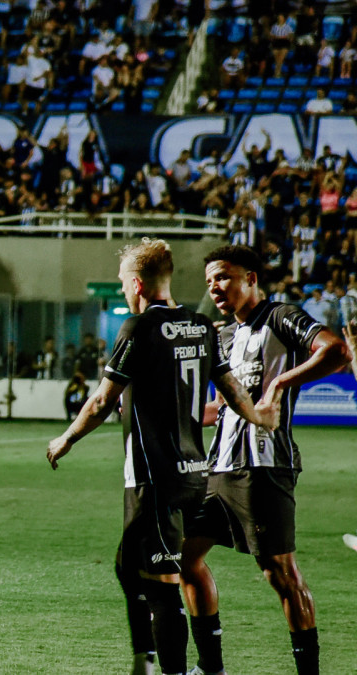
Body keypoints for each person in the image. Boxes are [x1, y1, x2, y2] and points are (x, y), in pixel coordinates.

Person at [45, 239, 279, 675]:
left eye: (122, 284)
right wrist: (259, 415)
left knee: (163, 585)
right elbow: (231, 391)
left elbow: (99, 402)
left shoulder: (138, 329)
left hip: (154, 478)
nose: (121, 291)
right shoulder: (200, 326)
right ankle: (149, 661)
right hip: (196, 473)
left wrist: (66, 439)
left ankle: (168, 669)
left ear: (136, 284)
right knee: (127, 564)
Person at [181, 245, 351, 675]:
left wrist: (277, 385)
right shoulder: (222, 336)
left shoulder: (280, 317)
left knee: (280, 573)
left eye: (222, 277)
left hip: (263, 466)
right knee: (183, 558)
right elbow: (221, 408)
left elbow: (336, 351)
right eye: (209, 282)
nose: (215, 287)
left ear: (251, 278)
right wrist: (169, 416)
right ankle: (211, 667)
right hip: (218, 469)